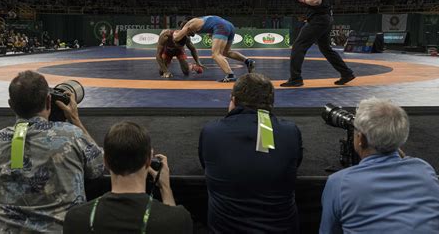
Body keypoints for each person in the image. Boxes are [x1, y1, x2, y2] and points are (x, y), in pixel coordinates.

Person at [0, 71, 104, 232]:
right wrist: (75, 120)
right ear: (49, 100)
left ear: (11, 105)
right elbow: (98, 167)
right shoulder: (71, 136)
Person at [320, 98, 439, 233]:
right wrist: (390, 143)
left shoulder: (339, 183)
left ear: (361, 139)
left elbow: (328, 231)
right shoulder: (424, 169)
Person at [199, 73, 303, 232]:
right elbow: (294, 164)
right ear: (271, 103)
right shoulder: (289, 132)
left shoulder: (211, 132)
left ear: (233, 100)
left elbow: (205, 165)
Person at [63, 121, 193, 233]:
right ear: (148, 160)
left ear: (105, 161)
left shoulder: (76, 219)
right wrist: (165, 188)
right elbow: (175, 222)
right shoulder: (178, 219)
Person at [281, 0, 355, 87]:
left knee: (298, 46)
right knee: (326, 48)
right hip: (325, 19)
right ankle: (346, 73)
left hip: (318, 20)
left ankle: (295, 78)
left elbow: (317, 1)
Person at [174, 15, 255, 82]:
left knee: (215, 54)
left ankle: (230, 75)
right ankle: (248, 61)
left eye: (187, 33)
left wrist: (175, 33)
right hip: (229, 26)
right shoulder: (200, 20)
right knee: (226, 52)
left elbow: (176, 38)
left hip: (221, 27)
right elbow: (213, 23)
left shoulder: (188, 24)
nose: (188, 35)